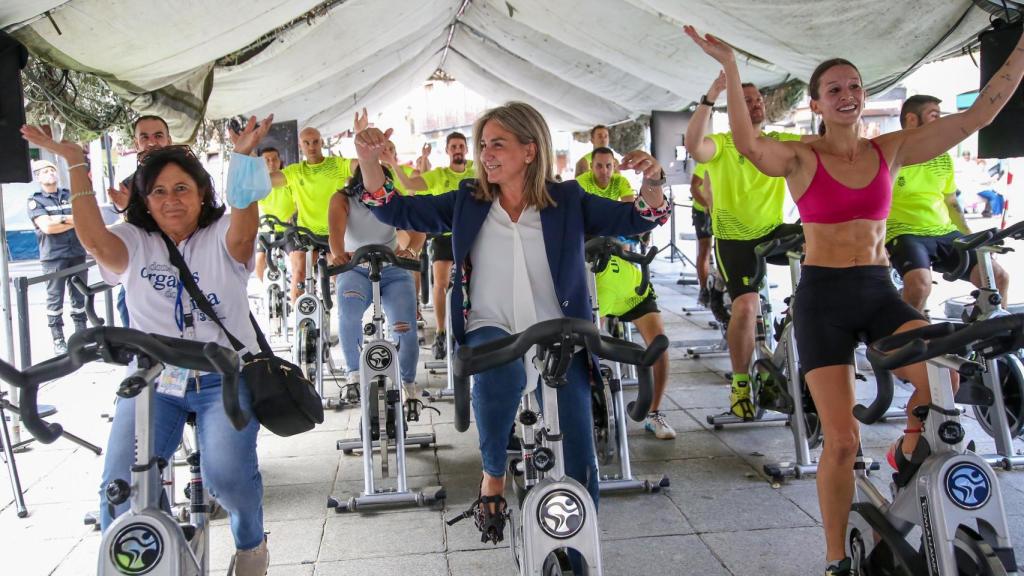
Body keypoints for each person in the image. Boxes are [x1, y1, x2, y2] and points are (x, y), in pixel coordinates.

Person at [686, 24, 1024, 576]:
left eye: (855, 86)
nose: (848, 95)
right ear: (817, 104)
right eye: (834, 89)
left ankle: (906, 449)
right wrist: (730, 67)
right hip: (824, 300)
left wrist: (1022, 48)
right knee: (842, 442)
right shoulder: (800, 157)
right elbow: (747, 144)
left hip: (878, 292)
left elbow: (978, 116)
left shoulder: (889, 149)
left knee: (940, 383)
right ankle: (836, 558)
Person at [351, 101, 670, 545]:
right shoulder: (468, 200)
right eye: (483, 145)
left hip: (560, 330)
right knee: (498, 375)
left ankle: (581, 544)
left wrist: (652, 182)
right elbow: (396, 210)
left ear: (530, 150)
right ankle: (493, 476)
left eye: (497, 144)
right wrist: (369, 163)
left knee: (580, 453)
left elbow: (641, 217)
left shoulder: (568, 200)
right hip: (491, 322)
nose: (485, 154)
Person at [21, 114, 276, 575]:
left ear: (203, 194)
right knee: (119, 487)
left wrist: (242, 158)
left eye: (181, 189)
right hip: (156, 381)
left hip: (223, 377)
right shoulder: (134, 239)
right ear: (144, 200)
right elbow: (95, 242)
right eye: (158, 191)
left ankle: (251, 545)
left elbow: (244, 227)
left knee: (227, 478)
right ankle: (153, 554)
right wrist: (75, 161)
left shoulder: (222, 234)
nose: (170, 199)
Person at [684, 70, 810, 421]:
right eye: (747, 100)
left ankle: (796, 321)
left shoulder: (779, 140)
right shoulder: (723, 144)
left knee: (822, 241)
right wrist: (711, 95)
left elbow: (825, 144)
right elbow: (694, 144)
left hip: (772, 230)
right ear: (734, 110)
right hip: (735, 239)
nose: (755, 105)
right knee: (746, 306)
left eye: (758, 100)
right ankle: (741, 384)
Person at [578, 148, 675, 439]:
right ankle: (588, 412)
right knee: (588, 353)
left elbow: (641, 216)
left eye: (609, 166)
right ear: (591, 167)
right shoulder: (579, 188)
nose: (604, 171)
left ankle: (654, 413)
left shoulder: (620, 186)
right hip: (597, 287)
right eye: (599, 166)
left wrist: (653, 180)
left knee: (659, 345)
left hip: (632, 283)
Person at [886, 95, 1009, 312]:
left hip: (944, 233)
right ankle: (908, 331)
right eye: (934, 116)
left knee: (998, 277)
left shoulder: (942, 158)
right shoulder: (890, 154)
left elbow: (950, 201)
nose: (941, 121)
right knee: (920, 285)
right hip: (903, 233)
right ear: (912, 119)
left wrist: (972, 238)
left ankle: (997, 331)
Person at [328, 164, 424, 398]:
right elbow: (335, 233)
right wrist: (339, 254)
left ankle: (408, 383)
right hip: (355, 266)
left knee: (404, 323)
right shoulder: (342, 199)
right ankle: (353, 373)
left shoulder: (393, 197)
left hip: (392, 266)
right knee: (348, 313)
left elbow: (418, 231)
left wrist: (411, 251)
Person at [391, 131, 475, 360]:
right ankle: (440, 331)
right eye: (453, 147)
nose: (457, 150)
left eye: (461, 146)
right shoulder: (439, 175)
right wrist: (392, 162)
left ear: (466, 149)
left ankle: (476, 327)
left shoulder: (476, 172)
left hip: (471, 235)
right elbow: (410, 183)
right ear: (447, 150)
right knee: (441, 282)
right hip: (444, 236)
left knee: (477, 282)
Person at [269, 123, 360, 302]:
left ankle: (344, 310)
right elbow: (267, 180)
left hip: (335, 233)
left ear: (322, 143)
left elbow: (361, 166)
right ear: (300, 145)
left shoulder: (337, 165)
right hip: (306, 233)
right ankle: (298, 314)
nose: (311, 146)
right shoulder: (295, 171)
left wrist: (361, 135)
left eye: (315, 142)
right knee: (299, 273)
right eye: (306, 142)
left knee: (340, 276)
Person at [109, 114, 175, 328]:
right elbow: (130, 229)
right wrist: (127, 208)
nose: (152, 142)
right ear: (136, 143)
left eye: (158, 136)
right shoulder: (128, 184)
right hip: (143, 268)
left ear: (169, 140)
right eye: (144, 137)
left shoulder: (191, 176)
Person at [27, 159, 88, 354]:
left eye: (52, 170)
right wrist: (72, 220)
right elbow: (47, 227)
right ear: (38, 177)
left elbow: (84, 218)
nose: (50, 174)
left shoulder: (70, 195)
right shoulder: (36, 200)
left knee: (79, 297)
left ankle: (82, 337)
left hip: (76, 253)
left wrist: (59, 220)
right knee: (55, 299)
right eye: (45, 171)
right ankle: (58, 340)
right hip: (54, 256)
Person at [255, 146, 296, 283]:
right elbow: (251, 204)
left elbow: (299, 202)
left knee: (296, 260)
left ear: (280, 161)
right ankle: (265, 287)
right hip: (266, 230)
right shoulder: (258, 183)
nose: (271, 162)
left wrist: (294, 215)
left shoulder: (289, 180)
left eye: (274, 159)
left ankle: (295, 287)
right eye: (267, 160)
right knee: (259, 260)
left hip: (288, 230)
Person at [690, 163, 714, 306]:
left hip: (722, 209)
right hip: (702, 211)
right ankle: (704, 290)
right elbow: (694, 187)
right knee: (705, 249)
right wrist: (706, 205)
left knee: (724, 249)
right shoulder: (705, 162)